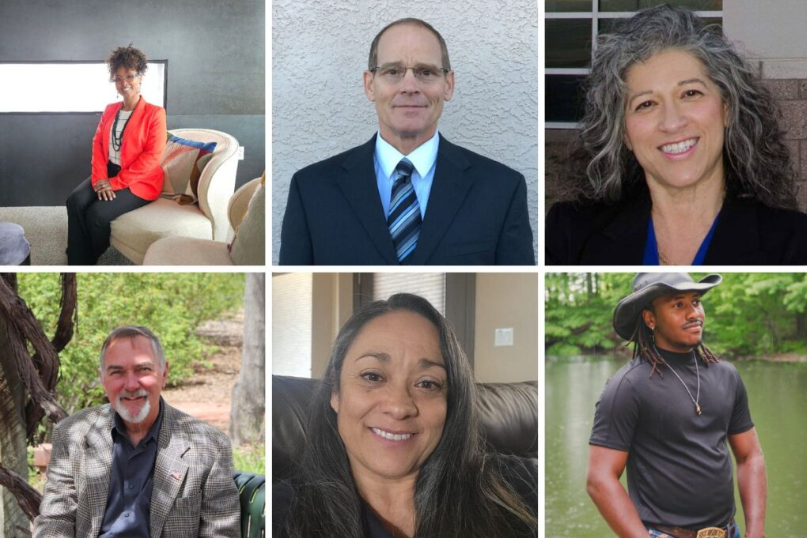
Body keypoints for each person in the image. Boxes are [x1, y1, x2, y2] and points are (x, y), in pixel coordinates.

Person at [546, 5, 807, 265]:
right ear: (623, 132)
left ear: (727, 108)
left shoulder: (795, 242)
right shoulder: (569, 235)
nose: (672, 123)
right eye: (646, 104)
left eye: (690, 94)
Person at [273, 293, 537, 538]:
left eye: (427, 384)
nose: (399, 407)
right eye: (372, 376)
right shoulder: (279, 516)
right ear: (336, 392)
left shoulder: (520, 488)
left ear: (451, 401)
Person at [279, 18, 534, 265]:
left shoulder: (502, 190)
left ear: (448, 85)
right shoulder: (311, 189)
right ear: (370, 85)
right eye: (393, 71)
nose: (409, 86)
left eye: (426, 72)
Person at [586, 273, 767, 538]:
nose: (694, 313)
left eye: (695, 302)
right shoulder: (628, 386)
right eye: (678, 305)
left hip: (731, 532)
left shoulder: (726, 375)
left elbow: (750, 456)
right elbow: (599, 480)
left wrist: (756, 530)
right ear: (650, 318)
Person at [34, 326, 239, 538]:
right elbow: (56, 519)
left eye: (143, 370)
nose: (131, 385)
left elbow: (221, 532)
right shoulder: (72, 435)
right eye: (117, 372)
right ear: (103, 379)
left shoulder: (209, 446)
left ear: (164, 373)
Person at [66, 45, 166, 265]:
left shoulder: (155, 114)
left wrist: (115, 183)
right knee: (75, 201)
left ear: (140, 77)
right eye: (118, 78)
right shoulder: (110, 109)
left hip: (139, 180)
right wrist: (101, 178)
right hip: (108, 172)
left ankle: (89, 258)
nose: (124, 83)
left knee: (97, 215)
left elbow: (151, 158)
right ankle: (76, 255)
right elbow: (98, 144)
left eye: (130, 76)